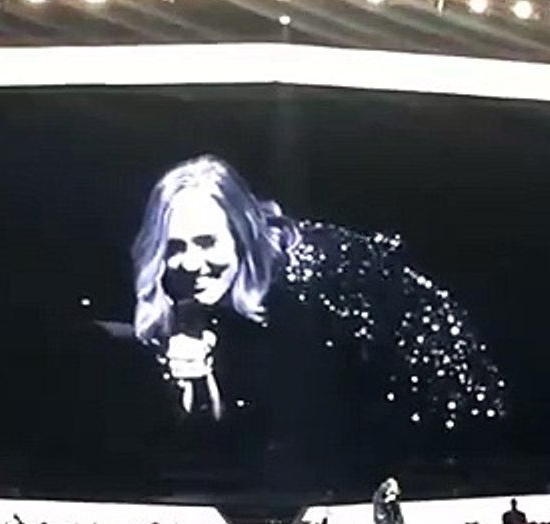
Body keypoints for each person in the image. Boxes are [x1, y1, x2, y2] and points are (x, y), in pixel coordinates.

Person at [91, 154, 507, 493]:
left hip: (441, 406)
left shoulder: (308, 284)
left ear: (241, 235)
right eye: (175, 247)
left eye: (207, 242)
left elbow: (324, 412)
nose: (191, 263)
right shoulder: (184, 302)